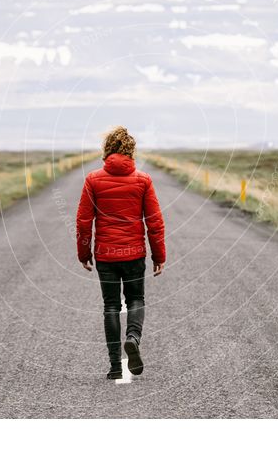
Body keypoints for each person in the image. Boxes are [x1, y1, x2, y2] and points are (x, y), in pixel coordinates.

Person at [76, 126, 166, 380]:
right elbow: (155, 221)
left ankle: (116, 365)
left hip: (106, 255)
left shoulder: (93, 179)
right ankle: (133, 338)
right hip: (135, 254)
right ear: (131, 151)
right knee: (136, 299)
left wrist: (84, 253)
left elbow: (83, 221)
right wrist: (158, 256)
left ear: (106, 150)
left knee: (111, 306)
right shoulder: (143, 180)